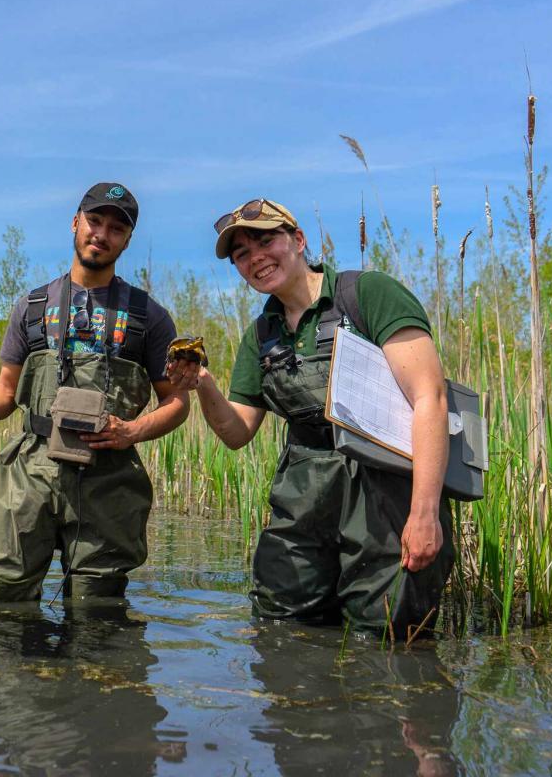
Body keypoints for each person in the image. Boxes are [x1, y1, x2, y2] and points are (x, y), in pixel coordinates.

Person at [167, 199, 453, 639]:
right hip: (304, 505)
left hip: (385, 503)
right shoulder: (261, 335)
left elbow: (429, 400)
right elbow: (237, 432)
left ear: (298, 241)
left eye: (266, 240)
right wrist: (202, 383)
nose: (256, 257)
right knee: (281, 630)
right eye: (242, 253)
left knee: (385, 639)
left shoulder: (366, 294)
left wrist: (425, 513)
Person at [0, 183, 189, 601]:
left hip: (110, 477)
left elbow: (176, 403)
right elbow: (4, 393)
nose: (101, 234)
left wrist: (132, 432)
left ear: (127, 240)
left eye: (116, 228)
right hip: (29, 470)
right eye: (94, 221)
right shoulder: (31, 307)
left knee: (97, 611)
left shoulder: (149, 317)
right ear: (75, 222)